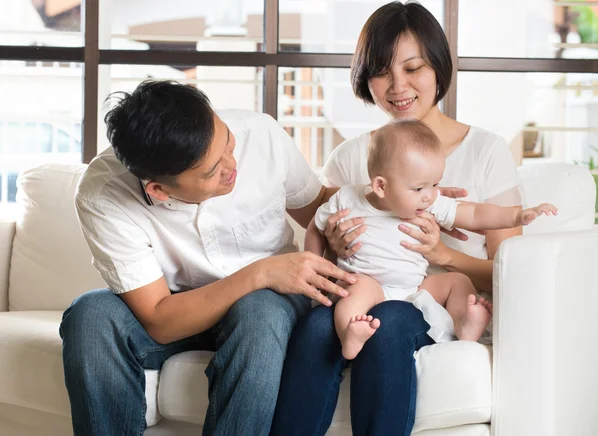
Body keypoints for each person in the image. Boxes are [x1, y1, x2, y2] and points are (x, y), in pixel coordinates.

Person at [270, 2, 526, 435]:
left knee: (390, 322)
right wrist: (337, 245)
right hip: (363, 295)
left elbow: (513, 274)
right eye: (383, 72)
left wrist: (445, 253)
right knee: (316, 325)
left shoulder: (486, 152)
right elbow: (324, 254)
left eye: (413, 68)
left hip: (430, 305)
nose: (397, 86)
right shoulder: (351, 157)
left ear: (438, 68)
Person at [59, 80, 358, 436]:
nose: (232, 164)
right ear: (159, 188)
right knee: (90, 316)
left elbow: (317, 205)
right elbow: (158, 317)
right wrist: (259, 273)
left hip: (270, 307)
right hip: (177, 308)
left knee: (258, 311)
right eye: (212, 170)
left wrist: (387, 206)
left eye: (228, 143)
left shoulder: (260, 134)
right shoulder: (103, 194)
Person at [306, 119, 556, 360]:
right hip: (371, 285)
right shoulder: (347, 200)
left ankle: (464, 323)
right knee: (355, 290)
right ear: (381, 186)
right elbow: (315, 228)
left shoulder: (428, 202)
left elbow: (474, 213)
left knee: (457, 281)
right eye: (419, 188)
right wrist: (318, 276)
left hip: (415, 289)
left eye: (435, 184)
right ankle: (350, 335)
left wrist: (516, 215)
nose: (429, 196)